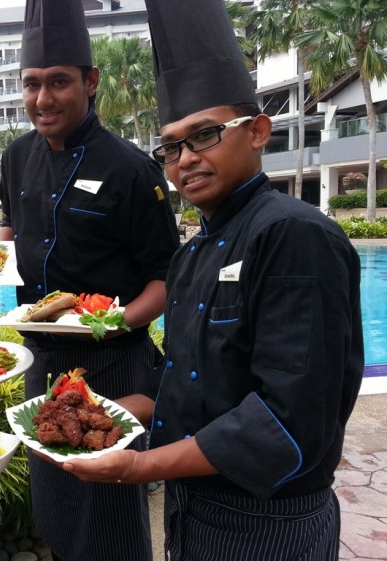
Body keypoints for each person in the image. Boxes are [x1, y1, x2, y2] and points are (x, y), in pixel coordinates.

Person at [62, 1, 364, 560]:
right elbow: (188, 378)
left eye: (205, 135)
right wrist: (100, 409)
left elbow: (289, 419)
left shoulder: (294, 235)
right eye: (171, 146)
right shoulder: (193, 251)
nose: (185, 160)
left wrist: (140, 466)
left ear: (257, 131)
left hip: (268, 520)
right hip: (194, 506)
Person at [0, 1, 180, 559]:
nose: (42, 99)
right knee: (53, 495)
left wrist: (115, 320)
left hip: (112, 361)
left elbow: (166, 277)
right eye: (31, 84)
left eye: (58, 83)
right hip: (40, 360)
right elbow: (8, 235)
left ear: (90, 81)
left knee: (110, 509)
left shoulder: (129, 167)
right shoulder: (16, 156)